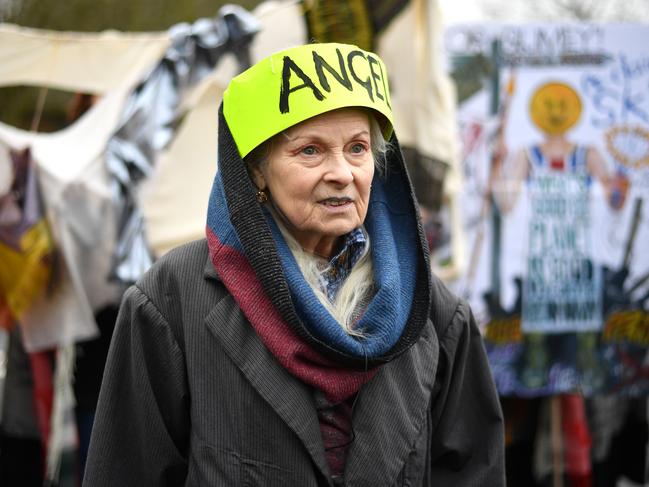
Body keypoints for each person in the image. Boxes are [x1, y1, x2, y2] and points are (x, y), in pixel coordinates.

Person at [83, 43, 504, 486]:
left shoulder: (435, 315)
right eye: (310, 151)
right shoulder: (171, 301)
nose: (342, 172)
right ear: (257, 172)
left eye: (358, 148)